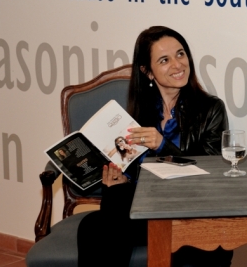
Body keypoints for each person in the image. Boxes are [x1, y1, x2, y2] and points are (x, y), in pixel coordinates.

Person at [77, 26, 233, 267]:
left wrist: (163, 145)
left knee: (102, 226)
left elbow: (210, 173)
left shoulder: (210, 109)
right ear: (147, 72)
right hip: (144, 208)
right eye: (164, 60)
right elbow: (134, 170)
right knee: (95, 223)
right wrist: (120, 180)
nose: (178, 64)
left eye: (180, 54)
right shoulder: (140, 110)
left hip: (188, 208)